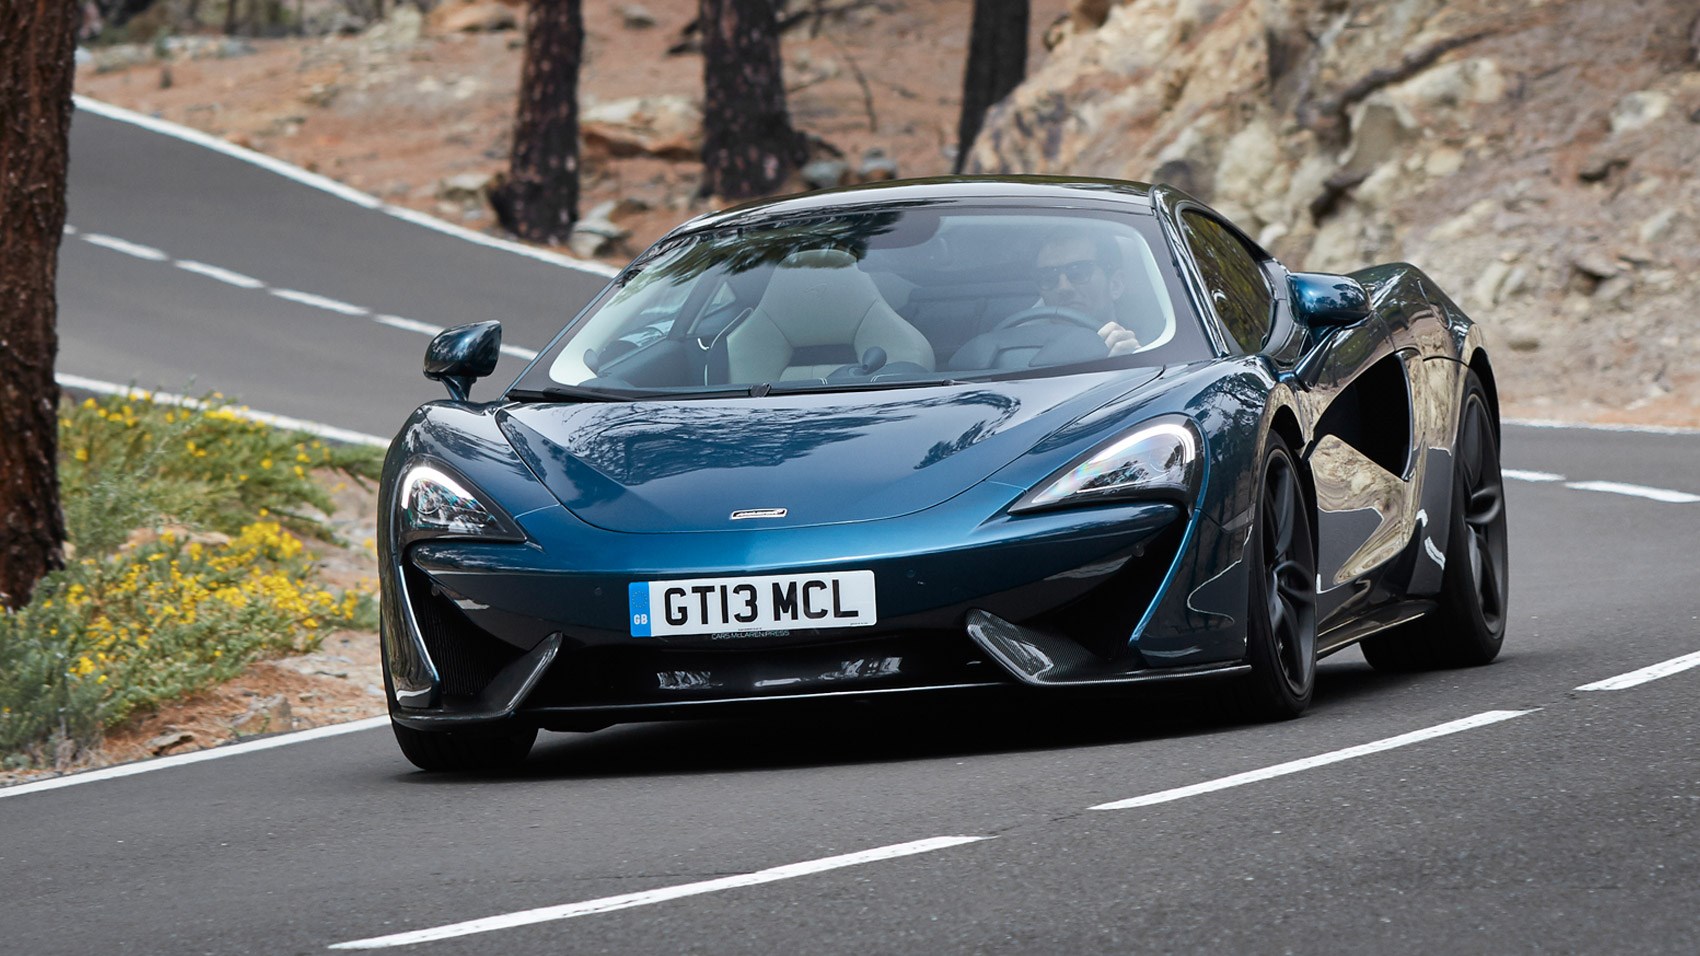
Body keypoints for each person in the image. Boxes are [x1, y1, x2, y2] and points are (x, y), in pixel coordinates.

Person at [1034, 229, 1142, 355]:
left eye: (1078, 272)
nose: (1063, 287)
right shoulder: (1019, 351)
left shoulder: (1154, 349)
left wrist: (1129, 359)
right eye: (1048, 277)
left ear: (1115, 285)